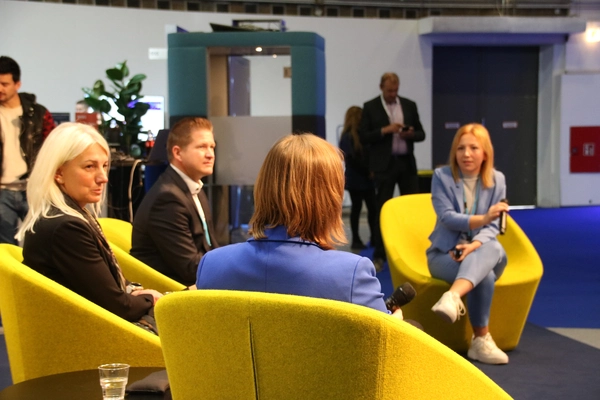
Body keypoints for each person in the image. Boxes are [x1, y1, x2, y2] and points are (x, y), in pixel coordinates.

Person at [196, 133, 403, 320]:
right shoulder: (352, 274)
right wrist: (395, 325)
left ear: (263, 188)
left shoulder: (211, 265)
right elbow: (382, 343)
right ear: (330, 198)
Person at [16, 123, 162, 333]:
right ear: (59, 173)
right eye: (90, 167)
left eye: (104, 166)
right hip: (89, 336)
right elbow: (119, 307)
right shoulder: (65, 227)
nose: (103, 177)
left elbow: (111, 291)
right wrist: (150, 298)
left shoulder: (68, 215)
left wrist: (140, 294)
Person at [427, 123, 509, 364]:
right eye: (461, 148)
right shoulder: (441, 176)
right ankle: (481, 340)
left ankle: (452, 296)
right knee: (485, 275)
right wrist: (483, 219)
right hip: (445, 255)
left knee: (493, 246)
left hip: (483, 251)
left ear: (485, 153)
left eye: (474, 148)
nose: (466, 154)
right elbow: (446, 217)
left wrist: (474, 245)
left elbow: (495, 226)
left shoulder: (498, 180)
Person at [131, 117, 219, 287]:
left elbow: (210, 248)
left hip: (195, 283)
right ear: (178, 153)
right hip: (172, 291)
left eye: (212, 147)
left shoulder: (195, 188)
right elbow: (190, 268)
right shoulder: (167, 198)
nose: (210, 154)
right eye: (202, 147)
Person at [359, 72, 425, 269]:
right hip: (383, 166)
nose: (392, 94)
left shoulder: (409, 105)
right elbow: (363, 136)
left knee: (411, 210)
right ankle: (380, 254)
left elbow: (421, 133)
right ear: (381, 88)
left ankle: (412, 252)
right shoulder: (370, 107)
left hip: (406, 163)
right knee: (382, 210)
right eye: (389, 91)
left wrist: (411, 134)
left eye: (395, 90)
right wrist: (384, 131)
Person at [0, 56, 55, 244]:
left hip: (33, 188)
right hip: (2, 191)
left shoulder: (38, 114)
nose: (0, 88)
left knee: (43, 242)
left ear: (17, 84)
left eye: (4, 84)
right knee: (5, 249)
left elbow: (53, 149)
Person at [338, 106, 376, 250]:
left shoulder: (349, 137)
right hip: (359, 178)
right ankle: (360, 239)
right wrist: (369, 171)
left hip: (359, 178)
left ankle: (367, 238)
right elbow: (354, 159)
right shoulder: (350, 137)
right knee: (363, 208)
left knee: (362, 208)